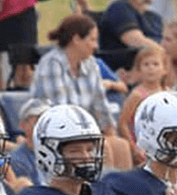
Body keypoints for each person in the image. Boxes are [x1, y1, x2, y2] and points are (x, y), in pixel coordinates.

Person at [30, 14, 132, 170]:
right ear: (76, 39)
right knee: (103, 148)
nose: (96, 46)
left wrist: (110, 132)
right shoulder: (52, 64)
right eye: (92, 40)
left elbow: (100, 105)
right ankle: (100, 190)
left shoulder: (91, 64)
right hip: (56, 131)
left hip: (84, 132)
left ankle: (119, 192)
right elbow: (61, 111)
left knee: (121, 146)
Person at [98, 0, 165, 67]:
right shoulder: (119, 8)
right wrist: (166, 55)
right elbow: (134, 40)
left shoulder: (154, 17)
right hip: (126, 69)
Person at [117, 45, 170, 144]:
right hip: (143, 143)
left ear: (165, 70)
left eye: (155, 64)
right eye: (146, 64)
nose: (151, 68)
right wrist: (134, 148)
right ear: (139, 70)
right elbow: (123, 123)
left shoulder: (167, 92)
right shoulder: (137, 95)